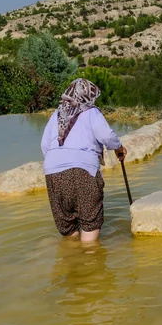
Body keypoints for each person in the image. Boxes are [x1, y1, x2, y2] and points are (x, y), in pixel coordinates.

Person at [41, 78, 127, 242]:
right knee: (90, 224)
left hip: (53, 173)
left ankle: (73, 263)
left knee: (68, 227)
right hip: (84, 171)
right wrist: (119, 149)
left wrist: (59, 162)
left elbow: (45, 145)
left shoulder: (56, 114)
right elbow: (107, 136)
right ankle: (89, 264)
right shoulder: (91, 111)